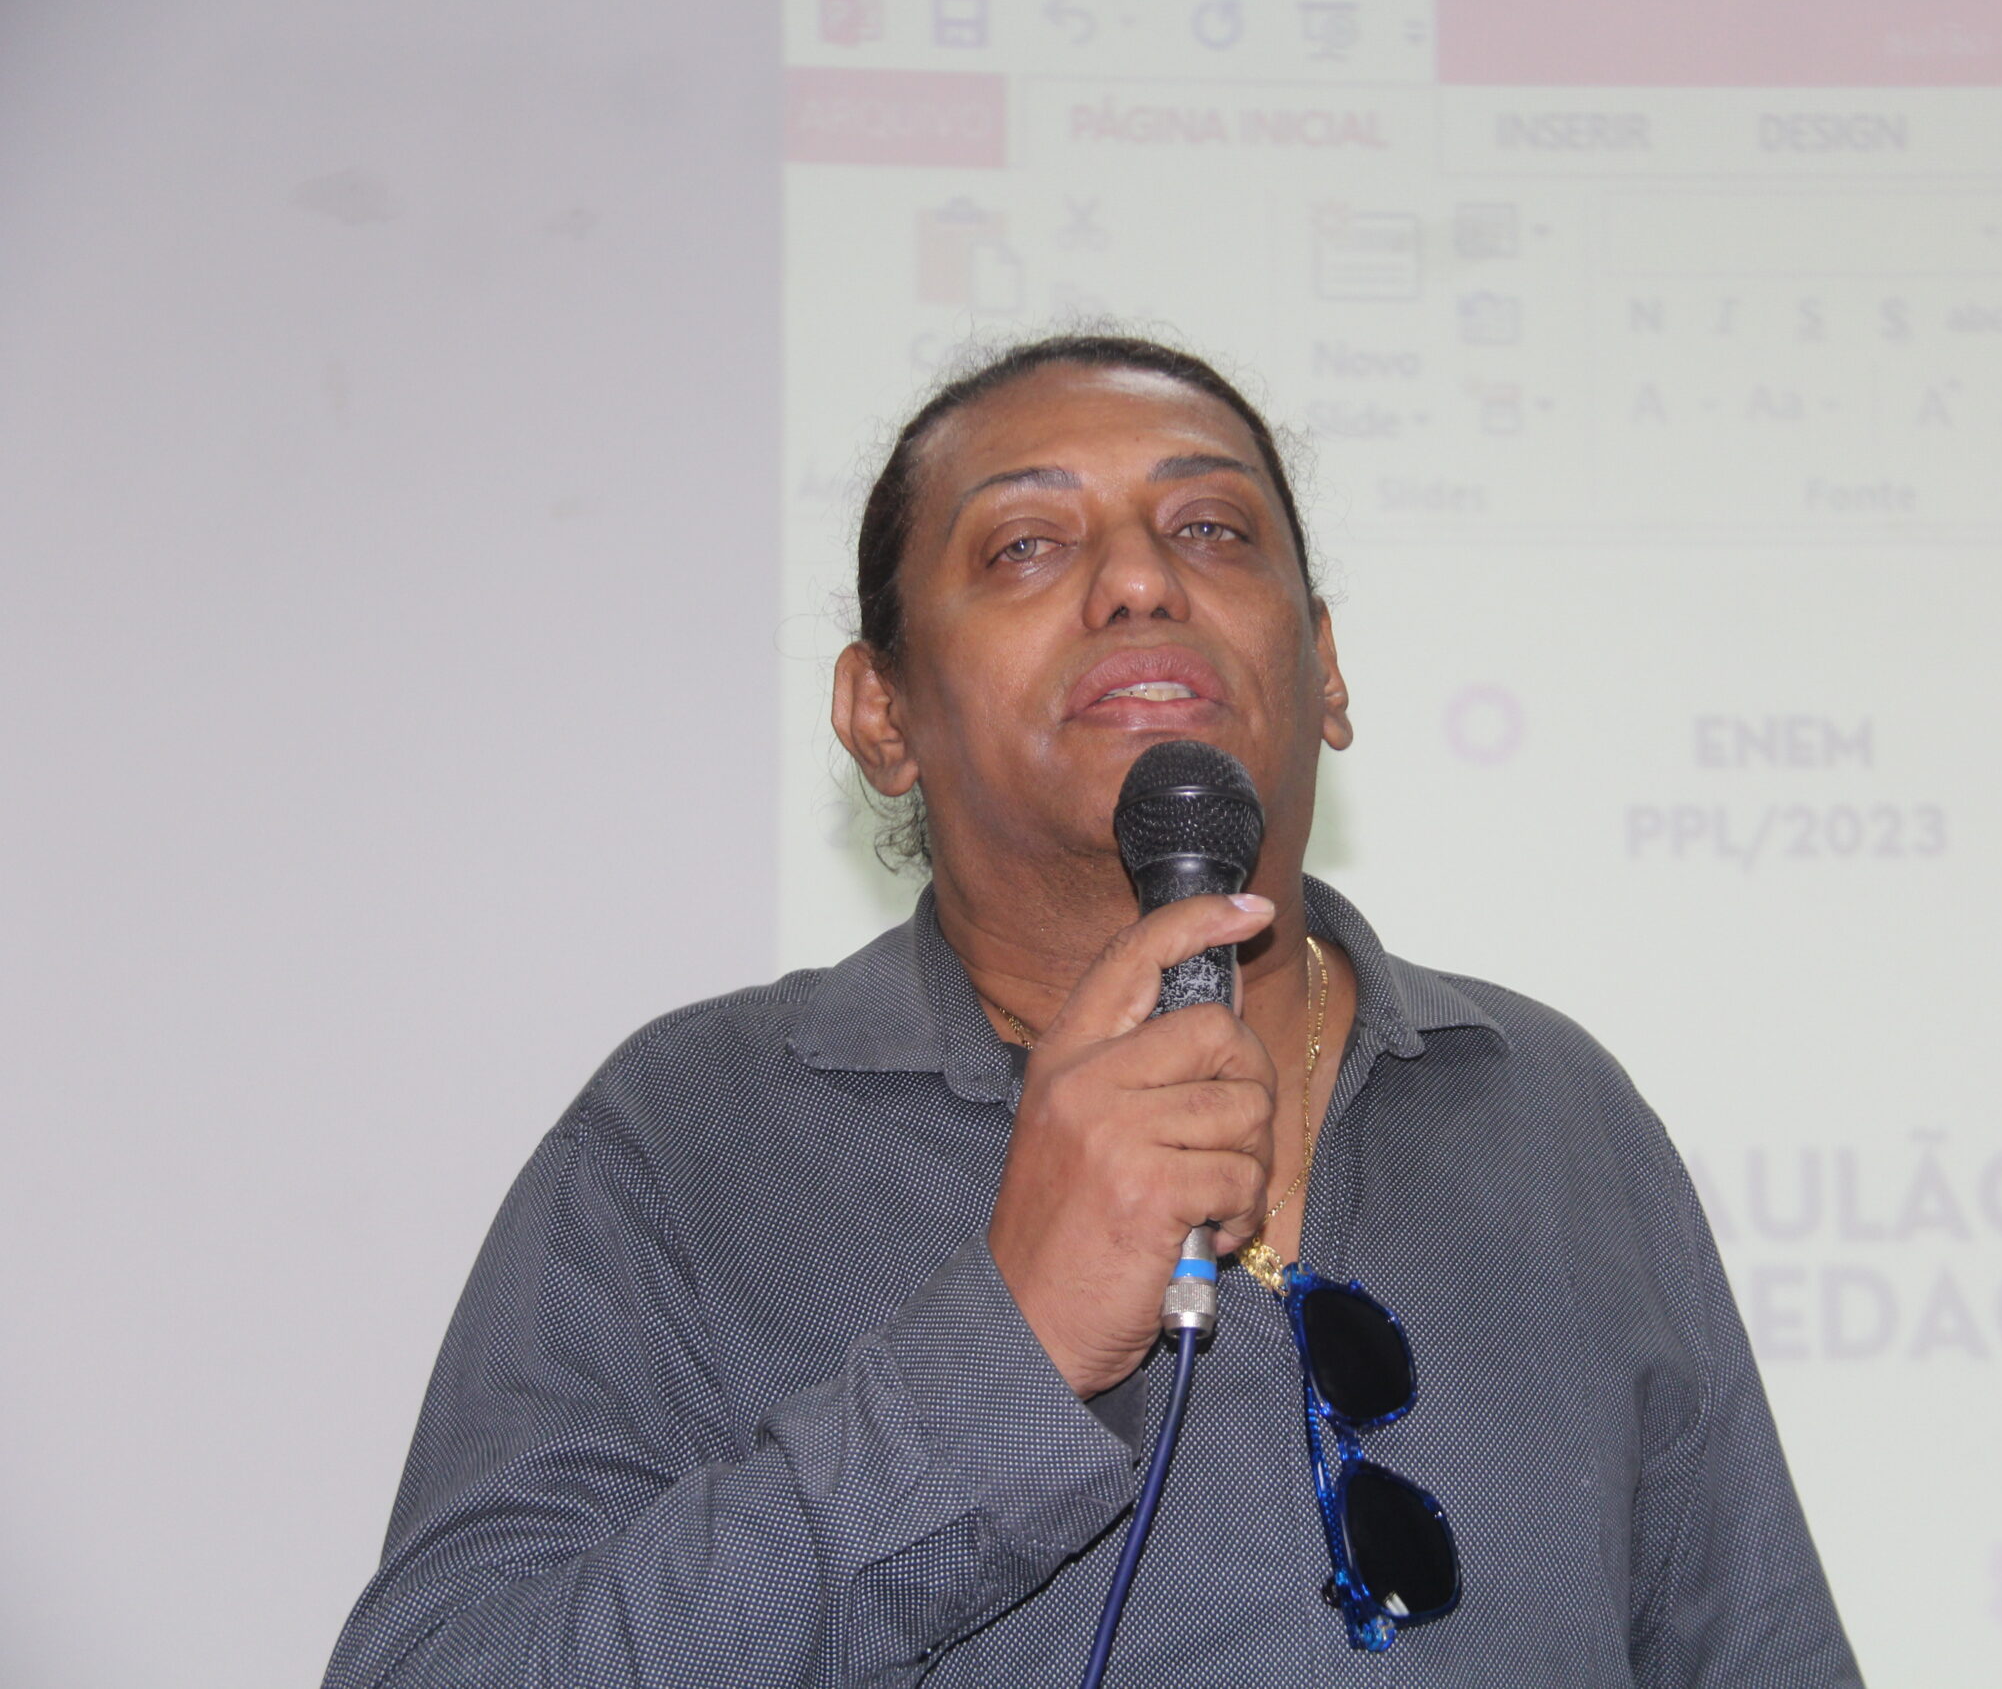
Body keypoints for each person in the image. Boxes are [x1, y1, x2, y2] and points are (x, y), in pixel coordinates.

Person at [323, 335, 1860, 1687]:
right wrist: (1008, 1350)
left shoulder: (1551, 1107)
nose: (1140, 581)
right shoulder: (689, 1136)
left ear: (1325, 668)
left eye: (1211, 529)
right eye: (1024, 547)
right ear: (880, 713)